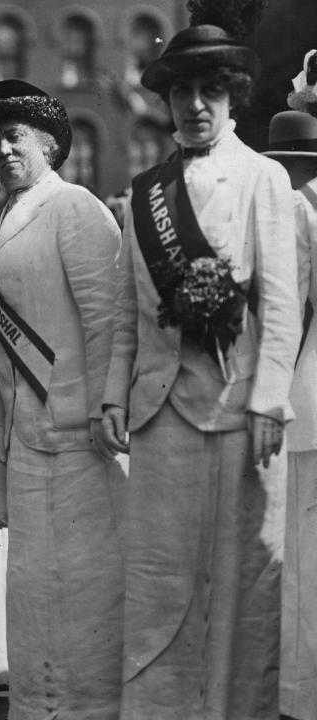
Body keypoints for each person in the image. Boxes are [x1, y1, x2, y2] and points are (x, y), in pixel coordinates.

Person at [100, 7, 299, 717]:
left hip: (239, 411)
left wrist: (270, 398)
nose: (192, 106)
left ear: (231, 97)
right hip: (159, 413)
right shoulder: (145, 192)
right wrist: (114, 399)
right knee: (161, 585)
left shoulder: (263, 179)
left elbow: (281, 300)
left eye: (208, 92)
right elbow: (126, 310)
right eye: (180, 93)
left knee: (241, 582)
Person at [0, 79, 126, 719]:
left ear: (50, 144)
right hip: (26, 439)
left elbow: (108, 321)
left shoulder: (75, 207)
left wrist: (105, 408)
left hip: (84, 433)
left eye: (16, 137)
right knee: (35, 589)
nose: (3, 150)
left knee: (87, 582)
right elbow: (0, 356)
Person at [263, 107, 317, 720]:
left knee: (303, 555)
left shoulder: (296, 207)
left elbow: (289, 308)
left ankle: (301, 696)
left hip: (307, 391)